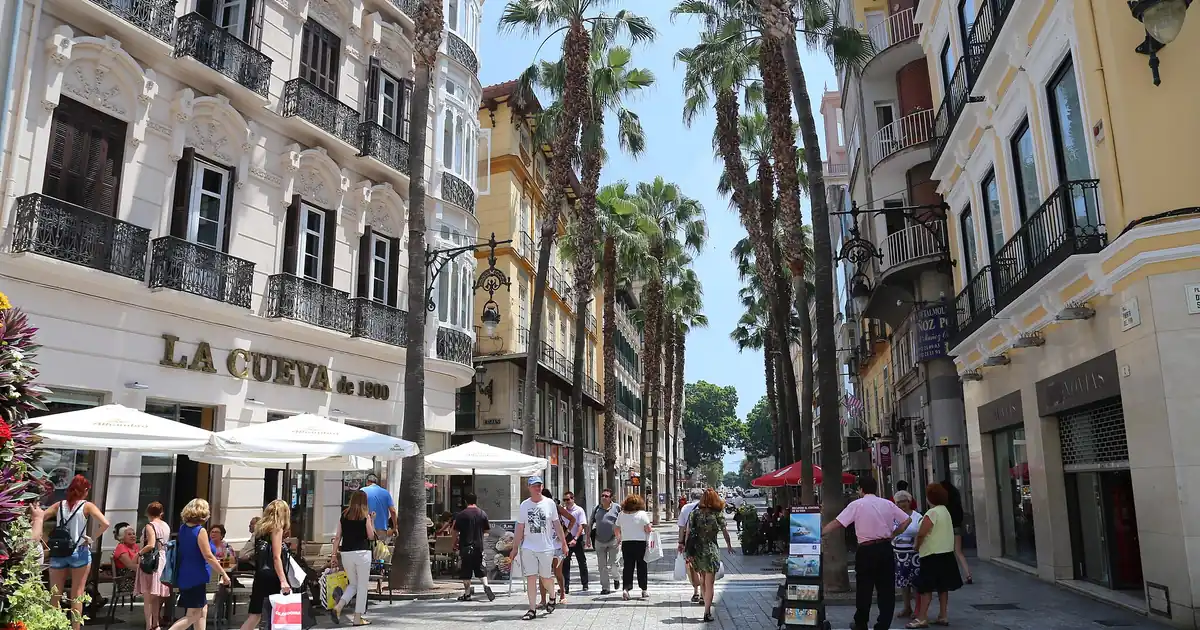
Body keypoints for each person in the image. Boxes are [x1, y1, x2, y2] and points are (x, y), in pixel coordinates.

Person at [821, 476, 912, 630]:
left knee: (864, 588)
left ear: (861, 489)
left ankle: (861, 622)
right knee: (886, 589)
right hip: (885, 548)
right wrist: (893, 534)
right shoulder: (887, 504)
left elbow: (839, 522)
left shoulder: (857, 505)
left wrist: (821, 532)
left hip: (866, 549)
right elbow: (906, 520)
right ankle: (883, 624)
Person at [31, 474, 111, 630]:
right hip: (79, 551)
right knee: (77, 594)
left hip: (59, 553)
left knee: (55, 594)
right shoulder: (87, 506)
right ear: (85, 490)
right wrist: (91, 538)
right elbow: (105, 523)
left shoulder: (59, 505)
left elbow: (40, 517)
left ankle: (52, 626)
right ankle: (75, 628)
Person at [508, 476, 568, 621]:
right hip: (529, 547)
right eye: (534, 486)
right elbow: (520, 527)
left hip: (546, 547)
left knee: (546, 577)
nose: (537, 488)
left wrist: (564, 543)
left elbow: (557, 525)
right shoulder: (524, 505)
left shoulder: (549, 504)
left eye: (539, 485)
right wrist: (515, 547)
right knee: (531, 577)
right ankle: (531, 609)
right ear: (529, 487)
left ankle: (552, 595)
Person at [166, 499, 231, 630]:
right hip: (195, 577)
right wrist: (223, 574)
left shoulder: (183, 528)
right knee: (194, 615)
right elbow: (208, 555)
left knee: (202, 611)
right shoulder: (199, 531)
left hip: (186, 575)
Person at [908, 483, 962, 628]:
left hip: (932, 554)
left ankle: (922, 618)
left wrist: (916, 546)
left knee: (926, 588)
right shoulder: (945, 511)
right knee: (942, 587)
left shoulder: (931, 513)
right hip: (946, 553)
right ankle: (943, 615)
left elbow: (921, 533)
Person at [239, 500, 293, 630]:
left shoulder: (260, 529)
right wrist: (283, 580)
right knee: (277, 614)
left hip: (260, 575)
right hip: (272, 576)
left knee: (255, 614)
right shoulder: (277, 528)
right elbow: (276, 557)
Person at [686, 489, 734, 622]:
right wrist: (729, 545)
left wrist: (687, 551)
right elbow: (725, 531)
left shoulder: (694, 514)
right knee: (710, 583)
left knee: (702, 578)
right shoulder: (717, 514)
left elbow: (688, 533)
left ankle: (702, 595)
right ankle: (707, 612)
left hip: (697, 551)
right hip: (711, 550)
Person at [330, 489, 376, 625]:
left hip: (346, 553)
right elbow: (371, 536)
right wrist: (371, 520)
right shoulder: (365, 516)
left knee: (353, 584)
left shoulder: (344, 515)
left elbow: (338, 536)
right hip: (362, 553)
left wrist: (333, 555)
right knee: (362, 586)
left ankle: (338, 607)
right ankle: (357, 618)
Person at [449, 492, 493, 602]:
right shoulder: (482, 514)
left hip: (465, 546)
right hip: (478, 546)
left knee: (466, 571)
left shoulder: (461, 515)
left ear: (465, 502)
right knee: (479, 568)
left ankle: (467, 594)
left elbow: (454, 531)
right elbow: (487, 530)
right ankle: (486, 585)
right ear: (476, 500)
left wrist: (453, 543)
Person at [136, 501, 172, 630]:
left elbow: (151, 544)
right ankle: (156, 624)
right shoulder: (165, 526)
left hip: (151, 561)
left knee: (148, 597)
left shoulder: (150, 526)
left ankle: (148, 625)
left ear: (147, 512)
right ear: (161, 513)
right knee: (155, 596)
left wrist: (139, 554)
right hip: (162, 559)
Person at [614, 493, 652, 601]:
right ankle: (644, 589)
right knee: (642, 566)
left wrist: (619, 538)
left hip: (627, 543)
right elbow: (648, 529)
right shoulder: (642, 514)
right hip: (640, 543)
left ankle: (626, 589)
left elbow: (616, 528)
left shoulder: (621, 514)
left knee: (628, 567)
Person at [539, 489, 575, 605]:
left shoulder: (556, 508)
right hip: (543, 544)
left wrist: (565, 534)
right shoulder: (537, 509)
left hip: (557, 544)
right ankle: (543, 599)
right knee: (543, 574)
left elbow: (572, 519)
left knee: (557, 572)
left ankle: (563, 594)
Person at [892, 491, 923, 619]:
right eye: (898, 502)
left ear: (909, 502)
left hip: (914, 554)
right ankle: (907, 607)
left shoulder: (917, 516)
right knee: (903, 583)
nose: (901, 504)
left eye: (904, 501)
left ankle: (918, 609)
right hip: (899, 554)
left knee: (916, 583)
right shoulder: (893, 516)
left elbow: (921, 533)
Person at [589, 488, 621, 595]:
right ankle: (605, 587)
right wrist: (587, 539)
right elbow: (590, 523)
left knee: (614, 564)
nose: (603, 498)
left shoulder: (617, 508)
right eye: (602, 495)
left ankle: (616, 578)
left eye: (606, 496)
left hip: (613, 540)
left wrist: (621, 536)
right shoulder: (597, 508)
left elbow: (622, 522)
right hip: (599, 540)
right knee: (602, 566)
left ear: (610, 498)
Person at [941, 479, 972, 584]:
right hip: (957, 528)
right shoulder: (956, 503)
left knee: (947, 553)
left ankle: (949, 576)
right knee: (959, 552)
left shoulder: (943, 505)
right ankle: (968, 574)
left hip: (946, 529)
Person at [676, 489, 703, 603]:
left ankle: (696, 592)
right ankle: (703, 594)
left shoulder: (686, 508)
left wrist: (681, 542)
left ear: (691, 497)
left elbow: (682, 527)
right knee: (703, 566)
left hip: (690, 541)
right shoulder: (706, 506)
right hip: (703, 540)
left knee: (692, 566)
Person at [560, 491, 589, 593]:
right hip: (567, 538)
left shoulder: (579, 510)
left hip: (578, 538)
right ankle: (565, 586)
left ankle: (585, 584)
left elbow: (581, 525)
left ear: (573, 499)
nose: (566, 502)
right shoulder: (563, 511)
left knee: (581, 561)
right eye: (564, 500)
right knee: (565, 562)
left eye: (568, 499)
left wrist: (575, 539)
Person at [360, 473, 396, 542]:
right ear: (376, 482)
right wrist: (395, 527)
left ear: (367, 482)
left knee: (366, 549)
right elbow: (393, 511)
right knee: (380, 550)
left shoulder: (362, 491)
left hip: (365, 526)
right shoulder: (385, 492)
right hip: (382, 527)